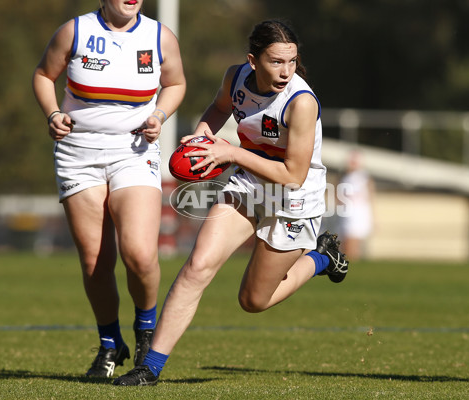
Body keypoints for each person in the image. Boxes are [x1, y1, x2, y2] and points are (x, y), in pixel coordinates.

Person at [113, 19, 349, 386]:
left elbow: (293, 175)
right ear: (252, 61)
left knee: (253, 300)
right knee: (197, 267)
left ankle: (321, 258)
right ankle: (150, 368)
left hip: (294, 199)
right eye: (275, 62)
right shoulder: (235, 78)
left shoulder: (300, 102)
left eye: (291, 61)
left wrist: (232, 153)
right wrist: (202, 135)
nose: (286, 71)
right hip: (249, 183)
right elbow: (219, 108)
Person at [32, 0, 186, 378]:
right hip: (77, 153)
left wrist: (159, 115)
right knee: (95, 262)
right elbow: (42, 75)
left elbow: (176, 83)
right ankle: (109, 344)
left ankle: (146, 330)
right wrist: (53, 113)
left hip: (134, 152)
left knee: (140, 254)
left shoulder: (159, 35)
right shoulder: (75, 30)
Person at [339, 151, 375, 261]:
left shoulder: (363, 177)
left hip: (358, 213)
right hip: (347, 213)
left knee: (353, 244)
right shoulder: (344, 177)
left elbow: (370, 196)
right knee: (346, 243)